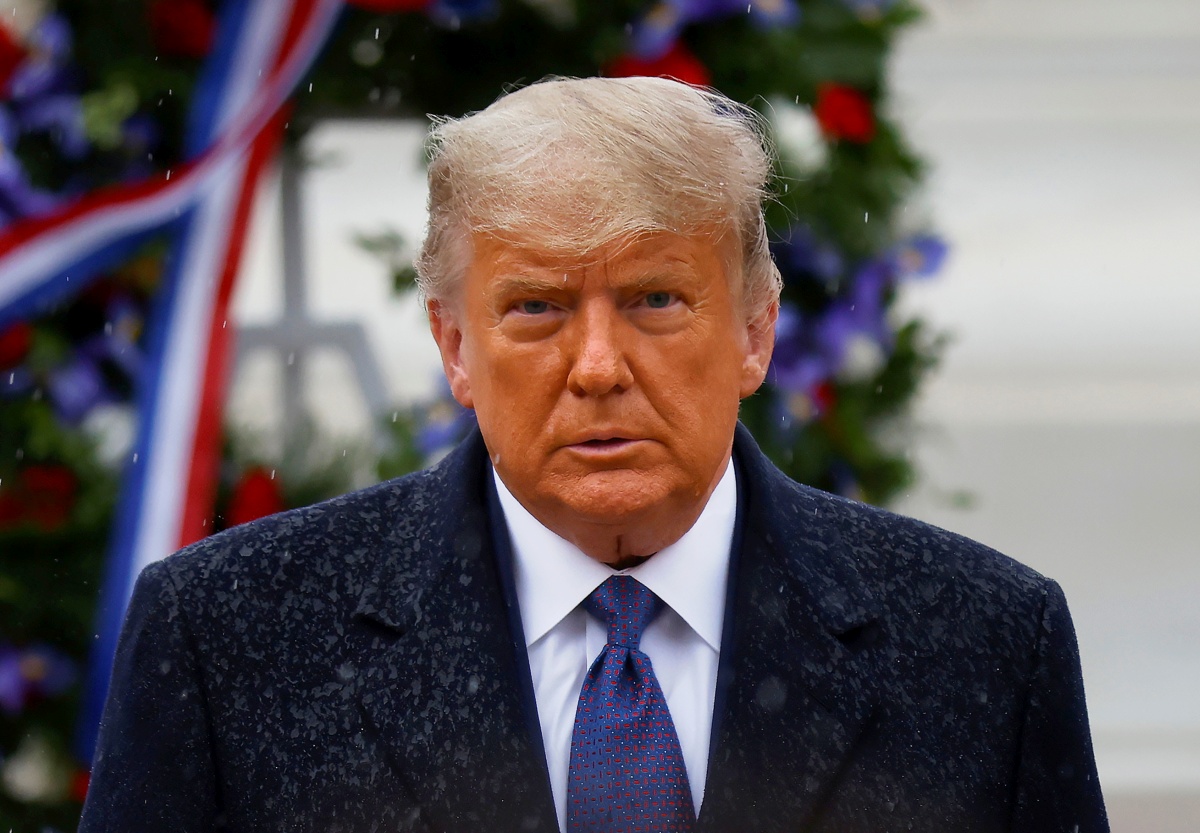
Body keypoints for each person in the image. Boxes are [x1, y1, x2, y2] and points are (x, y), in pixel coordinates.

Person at [80, 76, 1108, 833]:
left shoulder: (984, 644)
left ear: (756, 329)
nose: (599, 364)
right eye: (537, 307)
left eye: (657, 299)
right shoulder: (226, 643)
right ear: (452, 345)